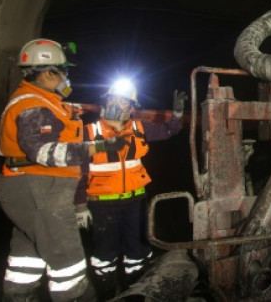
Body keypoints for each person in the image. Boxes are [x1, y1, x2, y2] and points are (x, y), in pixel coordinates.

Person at [0, 39, 125, 302]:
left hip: (32, 190)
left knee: (26, 258)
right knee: (68, 263)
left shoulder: (45, 102)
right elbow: (45, 153)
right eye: (64, 71)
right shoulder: (33, 105)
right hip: (39, 190)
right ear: (48, 73)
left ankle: (19, 296)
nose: (67, 78)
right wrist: (99, 147)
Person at [75, 78, 187, 299]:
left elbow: (168, 131)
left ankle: (134, 291)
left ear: (132, 107)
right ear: (105, 102)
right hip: (102, 203)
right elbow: (79, 171)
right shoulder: (88, 131)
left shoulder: (139, 128)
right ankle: (105, 292)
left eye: (124, 101)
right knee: (105, 253)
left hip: (135, 201)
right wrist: (80, 205)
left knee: (137, 250)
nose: (118, 104)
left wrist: (177, 114)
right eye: (114, 99)